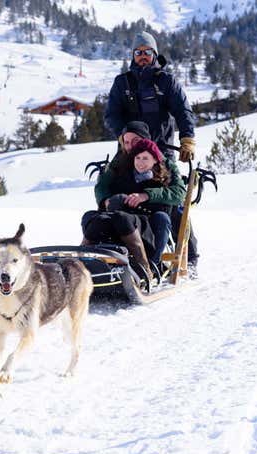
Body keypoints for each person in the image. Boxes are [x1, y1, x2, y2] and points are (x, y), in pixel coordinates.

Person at [104, 34, 200, 272]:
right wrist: (122, 136)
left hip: (161, 153)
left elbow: (183, 111)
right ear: (133, 56)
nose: (143, 56)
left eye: (148, 52)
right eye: (138, 52)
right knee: (121, 200)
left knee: (172, 204)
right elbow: (111, 115)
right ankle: (118, 250)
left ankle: (190, 256)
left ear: (155, 55)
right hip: (130, 153)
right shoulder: (122, 83)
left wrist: (187, 139)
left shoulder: (166, 81)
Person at [81, 138, 185, 281]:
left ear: (155, 160)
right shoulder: (124, 176)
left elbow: (177, 196)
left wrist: (146, 196)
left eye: (145, 158)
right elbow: (108, 193)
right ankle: (84, 263)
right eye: (137, 158)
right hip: (120, 221)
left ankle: (147, 267)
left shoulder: (162, 180)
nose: (140, 162)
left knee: (124, 218)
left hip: (146, 226)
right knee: (92, 217)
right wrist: (113, 200)